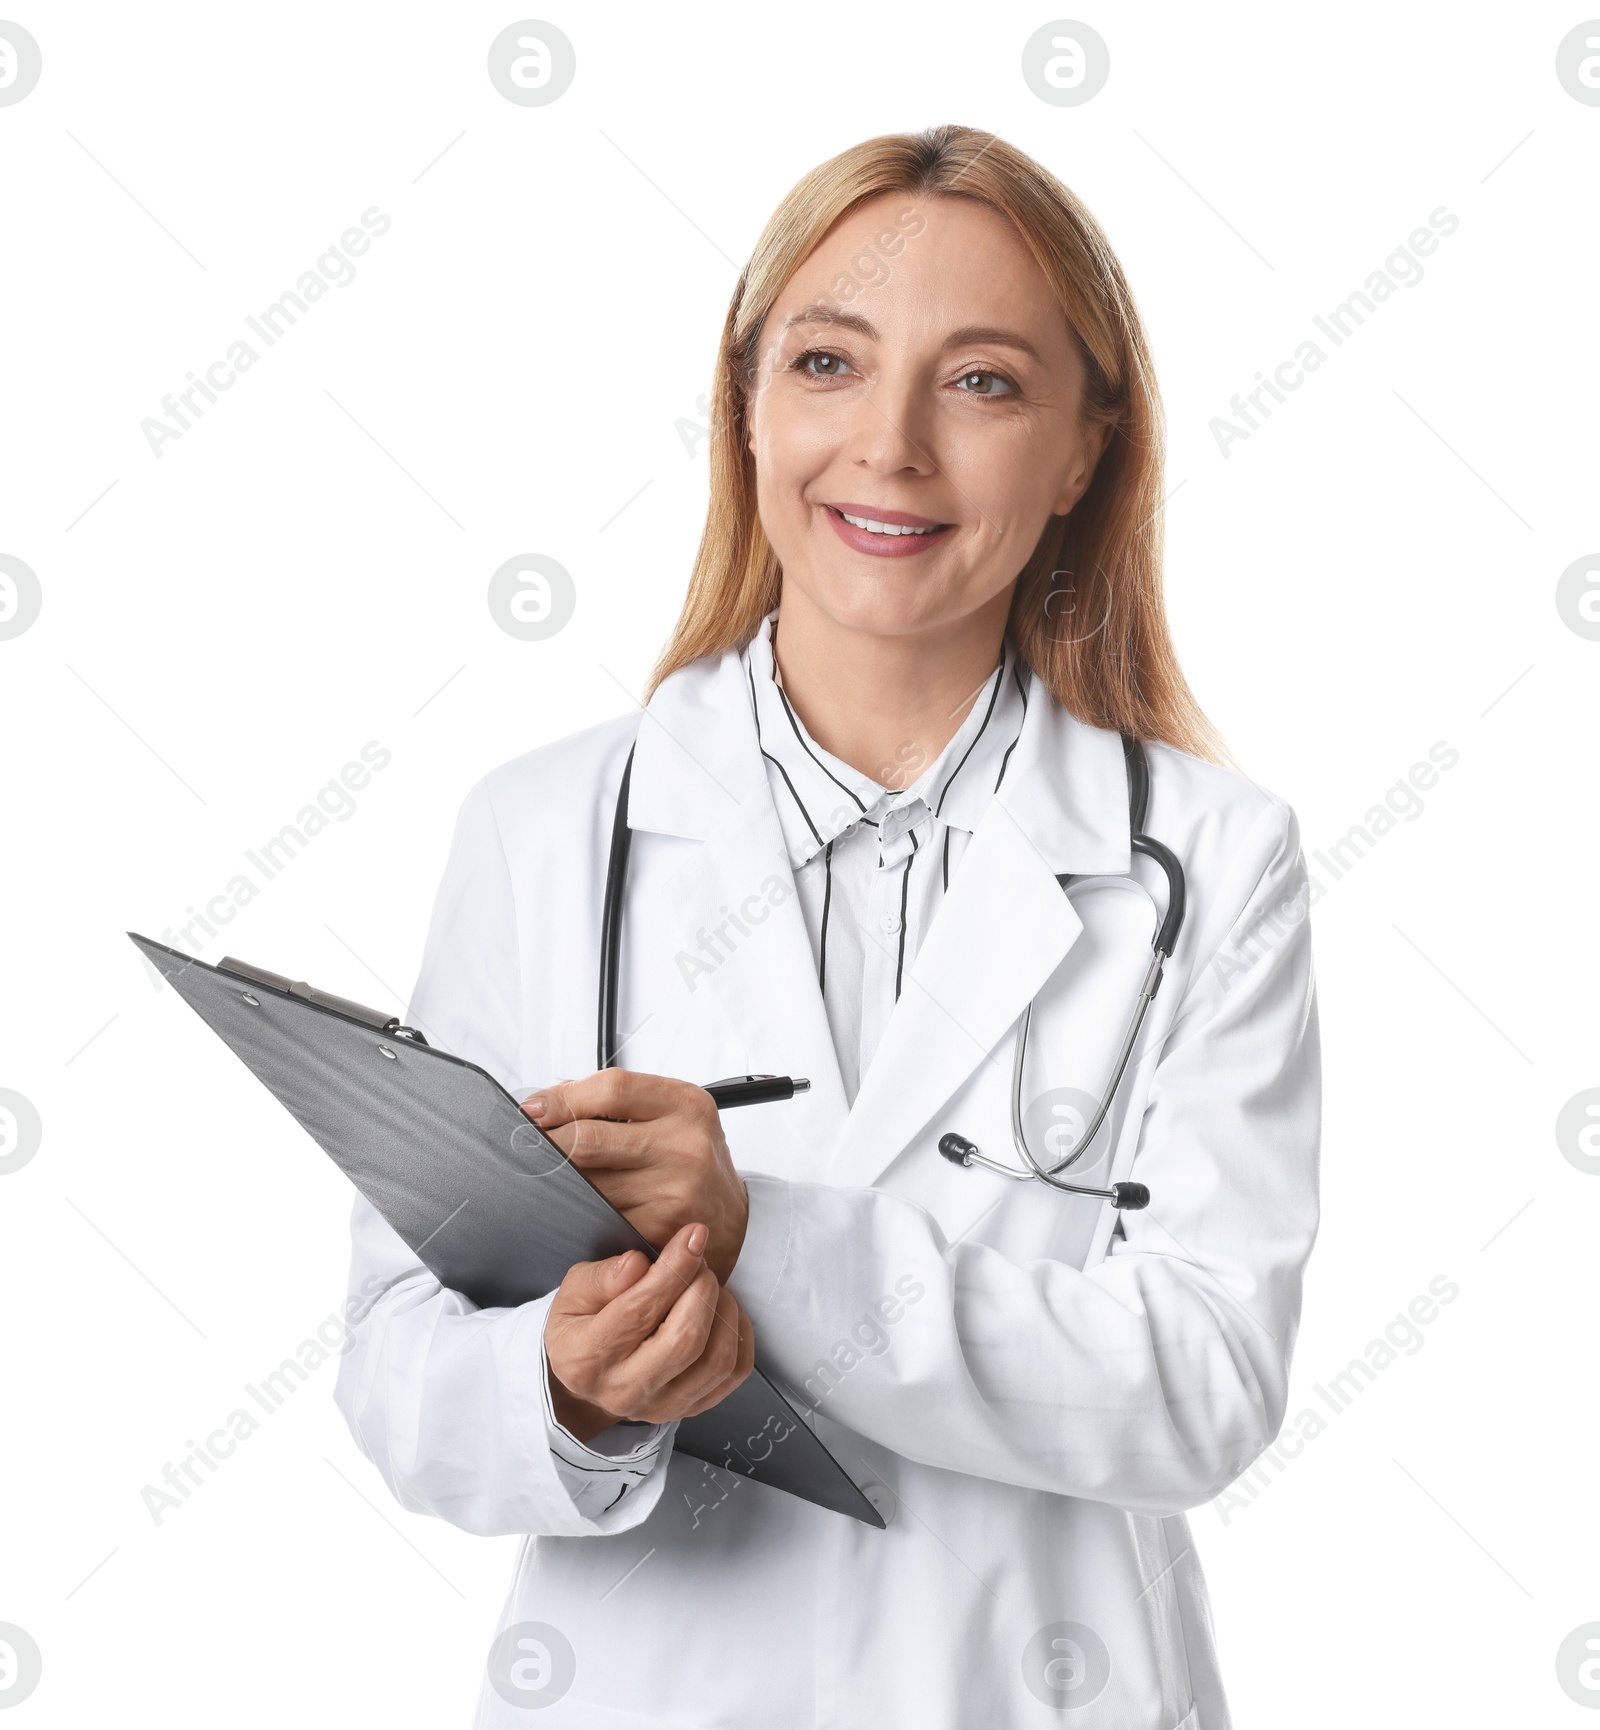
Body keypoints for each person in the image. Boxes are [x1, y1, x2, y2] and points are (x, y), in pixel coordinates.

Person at [334, 123, 1320, 1729]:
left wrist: (762, 1235)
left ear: (1084, 450)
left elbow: (1205, 1384)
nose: (893, 446)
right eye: (828, 363)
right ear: (743, 406)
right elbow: (397, 1369)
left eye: (983, 381)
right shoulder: (545, 829)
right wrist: (570, 1395)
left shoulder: (1210, 858)